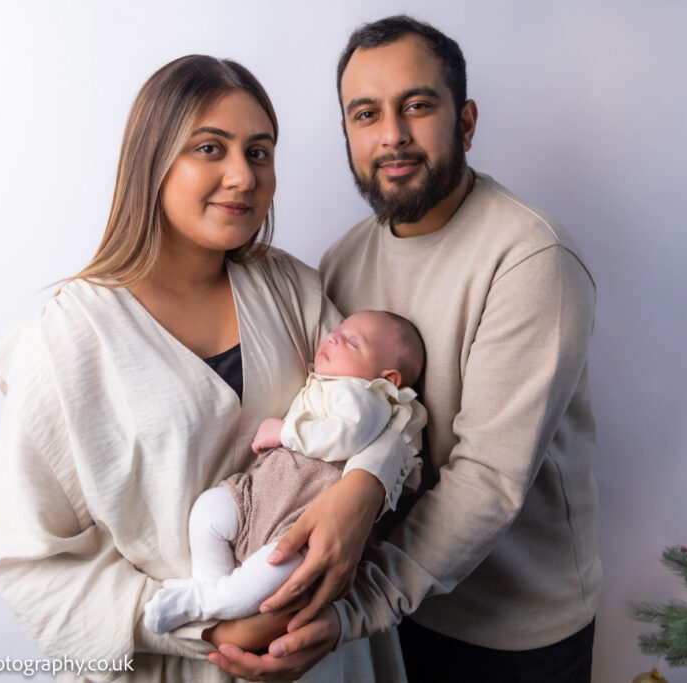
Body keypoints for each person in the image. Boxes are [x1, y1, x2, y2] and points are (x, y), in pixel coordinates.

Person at [0, 55, 419, 682]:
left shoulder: (291, 289)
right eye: (210, 148)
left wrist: (362, 491)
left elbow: (392, 415)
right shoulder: (73, 335)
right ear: (152, 160)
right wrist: (210, 628)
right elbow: (28, 561)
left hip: (323, 647)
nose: (242, 175)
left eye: (260, 152)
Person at [213, 15, 601, 683]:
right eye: (366, 114)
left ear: (466, 121)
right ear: (348, 136)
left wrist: (354, 606)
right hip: (385, 620)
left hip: (509, 632)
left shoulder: (529, 258)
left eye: (417, 106)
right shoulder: (339, 264)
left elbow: (487, 480)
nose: (391, 134)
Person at [142, 311, 426, 638]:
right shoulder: (324, 384)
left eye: (351, 342)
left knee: (271, 576)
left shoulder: (366, 397)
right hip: (259, 494)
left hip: (299, 520)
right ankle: (210, 584)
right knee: (208, 510)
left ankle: (203, 602)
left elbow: (347, 435)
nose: (333, 338)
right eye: (337, 331)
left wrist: (285, 432)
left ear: (387, 379)